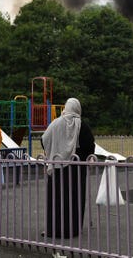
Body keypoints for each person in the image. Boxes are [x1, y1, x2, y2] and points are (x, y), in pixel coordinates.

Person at [41, 97, 95, 238]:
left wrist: (53, 151)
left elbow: (44, 139)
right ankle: (72, 229)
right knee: (74, 198)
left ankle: (53, 229)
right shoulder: (81, 125)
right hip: (76, 169)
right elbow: (90, 145)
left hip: (57, 167)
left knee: (56, 199)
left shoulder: (56, 123)